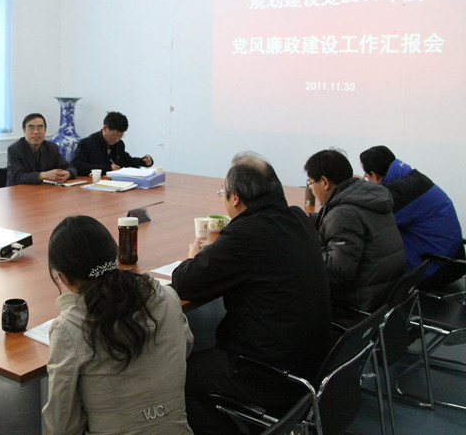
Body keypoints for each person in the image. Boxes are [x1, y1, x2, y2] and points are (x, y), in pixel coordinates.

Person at [171, 152, 330, 435]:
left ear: (234, 198)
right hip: (313, 360)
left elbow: (185, 283)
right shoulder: (297, 217)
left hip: (267, 373)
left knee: (172, 377)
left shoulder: (246, 234)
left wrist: (194, 256)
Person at [43, 215, 193, 435]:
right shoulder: (167, 296)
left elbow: (62, 426)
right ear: (114, 254)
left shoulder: (70, 328)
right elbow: (184, 348)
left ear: (64, 278)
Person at [305, 148, 405, 313]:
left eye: (310, 183)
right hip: (384, 293)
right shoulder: (368, 196)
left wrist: (305, 251)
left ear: (324, 182)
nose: (312, 189)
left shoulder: (343, 213)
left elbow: (336, 272)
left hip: (360, 302)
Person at [360, 146, 464, 290]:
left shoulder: (400, 194)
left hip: (436, 265)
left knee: (366, 271)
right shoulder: (413, 178)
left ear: (374, 175)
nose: (367, 180)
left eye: (367, 176)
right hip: (452, 255)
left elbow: (372, 224)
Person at [71, 111, 154, 176]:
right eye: (114, 136)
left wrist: (143, 161)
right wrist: (107, 169)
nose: (117, 140)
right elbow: (76, 165)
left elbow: (125, 161)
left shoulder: (119, 144)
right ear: (105, 128)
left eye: (120, 136)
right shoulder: (87, 143)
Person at [6, 113, 77, 186]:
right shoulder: (15, 149)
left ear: (45, 130)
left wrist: (67, 173)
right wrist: (43, 175)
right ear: (24, 130)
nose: (36, 132)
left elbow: (70, 168)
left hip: (43, 189)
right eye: (31, 127)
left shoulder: (51, 147)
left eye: (40, 127)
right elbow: (18, 178)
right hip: (19, 190)